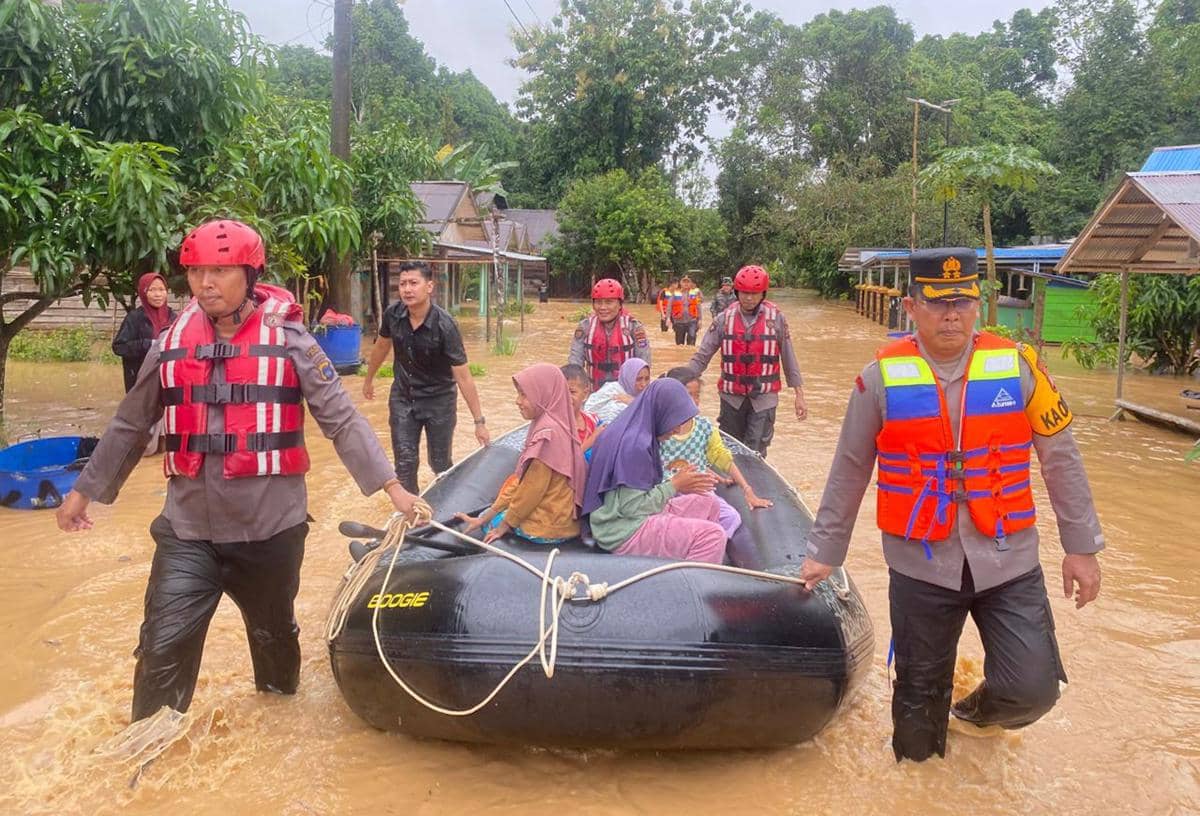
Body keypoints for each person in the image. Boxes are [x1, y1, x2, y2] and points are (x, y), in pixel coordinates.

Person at [55, 218, 427, 723]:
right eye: (196, 271)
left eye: (220, 270)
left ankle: (276, 734)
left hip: (269, 531)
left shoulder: (291, 340)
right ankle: (145, 768)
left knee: (274, 650)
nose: (205, 283)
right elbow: (129, 423)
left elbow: (340, 419)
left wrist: (393, 487)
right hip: (188, 532)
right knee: (161, 651)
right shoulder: (170, 342)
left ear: (249, 276)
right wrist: (85, 490)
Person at [799, 247, 1104, 763]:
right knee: (917, 709)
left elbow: (1061, 458)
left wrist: (1081, 547)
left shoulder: (1018, 367)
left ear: (978, 306)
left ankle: (972, 714)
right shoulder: (878, 378)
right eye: (937, 304)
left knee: (1034, 687)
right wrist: (825, 551)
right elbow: (850, 468)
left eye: (962, 302)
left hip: (1008, 558)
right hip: (921, 564)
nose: (951, 315)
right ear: (912, 308)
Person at [363, 261, 489, 494]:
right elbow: (381, 347)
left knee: (440, 464)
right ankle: (413, 515)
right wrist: (368, 379)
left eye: (413, 283)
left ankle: (446, 508)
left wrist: (479, 422)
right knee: (405, 464)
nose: (407, 289)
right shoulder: (393, 314)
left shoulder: (445, 325)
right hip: (403, 398)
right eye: (402, 284)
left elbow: (463, 377)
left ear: (429, 286)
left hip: (439, 401)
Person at [584, 378, 727, 563]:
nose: (677, 429)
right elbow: (631, 508)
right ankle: (689, 585)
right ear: (660, 412)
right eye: (674, 420)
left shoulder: (633, 429)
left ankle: (694, 559)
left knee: (709, 502)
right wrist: (674, 485)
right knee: (713, 535)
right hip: (623, 531)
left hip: (620, 516)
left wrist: (679, 485)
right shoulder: (635, 447)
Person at [454, 364, 587, 545]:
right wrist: (487, 514)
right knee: (488, 517)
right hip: (561, 520)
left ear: (543, 395)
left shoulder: (547, 437)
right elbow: (522, 482)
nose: (517, 401)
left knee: (491, 524)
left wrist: (502, 526)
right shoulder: (560, 423)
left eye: (524, 395)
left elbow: (530, 491)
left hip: (548, 527)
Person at [686, 265, 807, 458]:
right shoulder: (723, 319)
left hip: (764, 399)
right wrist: (680, 380)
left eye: (754, 293)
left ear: (763, 294)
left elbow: (788, 357)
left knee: (755, 451)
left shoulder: (776, 319)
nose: (748, 298)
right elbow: (702, 356)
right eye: (744, 293)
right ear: (736, 292)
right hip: (731, 398)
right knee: (730, 451)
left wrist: (799, 395)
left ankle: (753, 485)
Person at [661, 366, 773, 539]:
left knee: (732, 518)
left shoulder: (704, 427)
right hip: (669, 491)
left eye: (697, 395)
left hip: (699, 490)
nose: (694, 400)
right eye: (688, 395)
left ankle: (709, 548)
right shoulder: (661, 429)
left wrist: (747, 489)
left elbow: (722, 457)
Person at [567, 278, 651, 389]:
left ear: (620, 304)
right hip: (594, 392)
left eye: (609, 302)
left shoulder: (634, 327)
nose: (602, 307)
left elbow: (644, 364)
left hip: (625, 393)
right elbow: (574, 363)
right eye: (598, 302)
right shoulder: (585, 327)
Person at [112, 272, 176, 393]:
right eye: (152, 290)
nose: (158, 294)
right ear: (143, 292)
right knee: (141, 410)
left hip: (166, 379)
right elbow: (119, 347)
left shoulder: (173, 317)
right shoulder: (135, 318)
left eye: (162, 289)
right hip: (140, 379)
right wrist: (148, 344)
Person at [584, 357, 650, 425]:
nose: (643, 384)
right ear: (628, 378)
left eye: (647, 379)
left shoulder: (649, 394)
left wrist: (634, 402)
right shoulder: (615, 400)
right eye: (638, 379)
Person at [560, 364, 600, 451]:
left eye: (572, 392)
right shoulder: (556, 427)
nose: (566, 397)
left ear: (585, 393)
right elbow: (563, 462)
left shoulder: (593, 420)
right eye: (562, 392)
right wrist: (592, 439)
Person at [671, 273, 703, 346]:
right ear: (681, 283)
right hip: (679, 322)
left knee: (692, 338)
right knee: (679, 343)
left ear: (691, 283)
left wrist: (700, 319)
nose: (686, 284)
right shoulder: (675, 293)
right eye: (684, 282)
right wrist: (668, 319)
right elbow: (669, 307)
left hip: (692, 321)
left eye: (688, 282)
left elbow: (699, 307)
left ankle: (690, 355)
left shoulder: (695, 293)